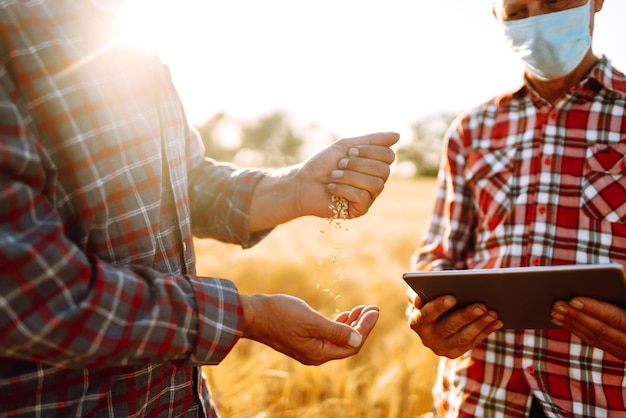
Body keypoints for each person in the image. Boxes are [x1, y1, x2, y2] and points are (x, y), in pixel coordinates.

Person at [0, 1, 399, 417]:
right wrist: (247, 316)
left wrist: (295, 189)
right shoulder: (11, 36)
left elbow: (180, 180)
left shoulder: (125, 35)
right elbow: (29, 294)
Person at [407, 0, 626, 416]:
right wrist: (428, 315)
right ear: (497, 17)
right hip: (481, 396)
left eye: (556, 2)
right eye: (518, 12)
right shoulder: (471, 131)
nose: (539, 21)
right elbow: (439, 256)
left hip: (605, 398)